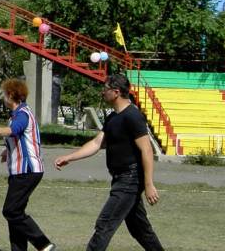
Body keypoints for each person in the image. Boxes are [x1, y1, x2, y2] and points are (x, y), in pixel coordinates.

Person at [54, 73, 164, 251]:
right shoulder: (113, 117)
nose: (102, 92)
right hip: (120, 178)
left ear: (116, 92)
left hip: (130, 179)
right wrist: (69, 157)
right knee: (139, 229)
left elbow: (147, 150)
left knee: (105, 224)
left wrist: (149, 184)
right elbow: (97, 143)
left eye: (105, 89)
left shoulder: (133, 116)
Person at [0, 79, 55, 251]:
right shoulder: (17, 114)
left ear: (11, 95)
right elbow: (19, 137)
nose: (3, 98)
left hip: (27, 171)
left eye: (4, 94)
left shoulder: (22, 114)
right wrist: (7, 151)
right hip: (20, 171)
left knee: (10, 211)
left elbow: (15, 130)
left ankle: (44, 244)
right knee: (16, 215)